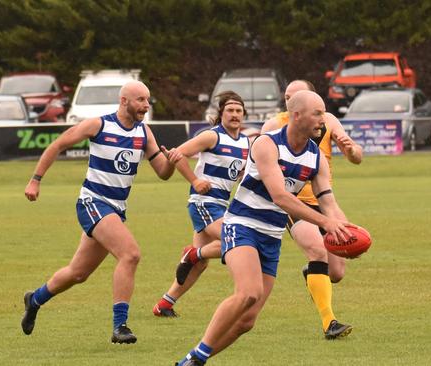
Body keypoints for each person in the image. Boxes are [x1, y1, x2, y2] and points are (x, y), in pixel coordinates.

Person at [176, 90, 353, 365]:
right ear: (297, 115)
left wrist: (343, 228)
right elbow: (280, 196)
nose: (324, 120)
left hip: (272, 236)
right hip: (242, 225)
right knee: (248, 293)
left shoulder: (315, 158)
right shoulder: (266, 144)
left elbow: (328, 203)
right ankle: (193, 359)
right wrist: (325, 223)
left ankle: (196, 358)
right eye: (317, 113)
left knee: (247, 321)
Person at [21, 80, 182, 344]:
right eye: (141, 99)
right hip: (93, 202)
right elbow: (58, 145)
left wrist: (173, 163)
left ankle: (35, 299)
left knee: (78, 273)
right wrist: (35, 179)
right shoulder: (99, 125)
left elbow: (163, 173)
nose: (146, 105)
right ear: (124, 101)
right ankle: (120, 327)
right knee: (130, 254)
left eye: (148, 99)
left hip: (115, 210)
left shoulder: (144, 133)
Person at [261, 79, 363, 339]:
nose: (289, 101)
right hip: (294, 203)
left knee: (336, 273)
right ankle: (330, 323)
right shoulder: (274, 126)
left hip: (324, 200)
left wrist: (350, 149)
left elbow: (357, 157)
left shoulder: (326, 121)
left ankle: (313, 275)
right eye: (287, 97)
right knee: (317, 251)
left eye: (296, 96)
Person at [152, 91, 249, 317]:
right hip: (204, 203)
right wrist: (195, 181)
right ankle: (193, 254)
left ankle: (165, 304)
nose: (235, 115)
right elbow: (177, 154)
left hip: (221, 204)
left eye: (238, 111)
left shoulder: (246, 143)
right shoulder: (211, 136)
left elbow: (241, 174)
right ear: (221, 114)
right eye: (230, 111)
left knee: (201, 264)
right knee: (234, 240)